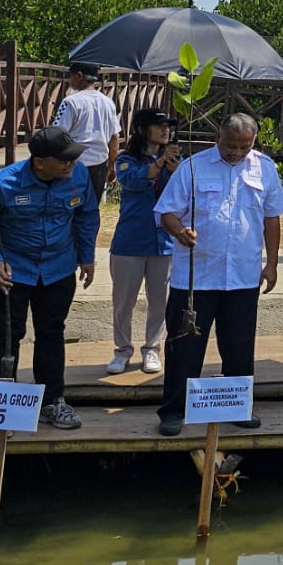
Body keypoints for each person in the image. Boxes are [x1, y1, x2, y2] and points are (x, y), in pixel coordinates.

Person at [153, 113, 283, 436]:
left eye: (244, 147)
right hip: (196, 277)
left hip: (242, 277)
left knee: (240, 347)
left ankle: (238, 407)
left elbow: (272, 219)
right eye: (231, 145)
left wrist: (271, 264)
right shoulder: (193, 167)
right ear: (219, 136)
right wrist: (180, 231)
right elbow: (165, 212)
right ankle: (173, 411)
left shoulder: (264, 168)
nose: (237, 153)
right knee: (184, 347)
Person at [0, 126, 98, 430]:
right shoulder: (1, 184)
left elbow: (87, 215)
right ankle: (2, 408)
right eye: (64, 160)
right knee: (7, 336)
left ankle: (53, 401)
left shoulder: (78, 177)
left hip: (58, 268)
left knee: (52, 333)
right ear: (40, 162)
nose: (72, 165)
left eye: (73, 159)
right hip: (13, 272)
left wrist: (87, 255)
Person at [108, 108, 179, 376]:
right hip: (130, 241)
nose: (165, 130)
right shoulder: (126, 159)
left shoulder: (174, 160)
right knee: (123, 302)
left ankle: (152, 349)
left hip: (164, 241)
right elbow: (133, 182)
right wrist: (159, 166)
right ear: (141, 128)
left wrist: (176, 169)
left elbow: (181, 194)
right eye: (158, 125)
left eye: (168, 126)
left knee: (160, 300)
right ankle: (122, 350)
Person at [52, 61, 121, 201]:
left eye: (70, 76)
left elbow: (56, 134)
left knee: (68, 209)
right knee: (91, 211)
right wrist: (112, 166)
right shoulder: (108, 103)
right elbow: (114, 138)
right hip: (99, 165)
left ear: (79, 76)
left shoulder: (70, 102)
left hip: (74, 165)